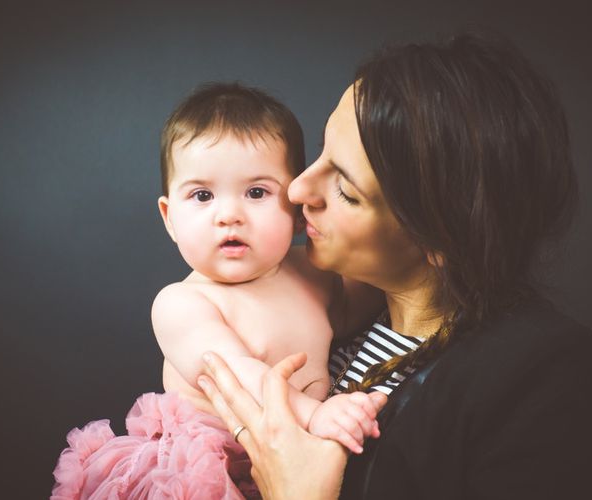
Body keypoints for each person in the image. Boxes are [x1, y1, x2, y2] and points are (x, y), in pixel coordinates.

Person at [196, 33, 592, 499]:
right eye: (321, 153)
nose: (298, 190)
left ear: (440, 236)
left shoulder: (546, 378)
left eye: (346, 190)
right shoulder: (322, 312)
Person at [51, 83, 387, 499]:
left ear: (297, 208)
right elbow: (235, 375)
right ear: (170, 217)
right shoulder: (182, 304)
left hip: (292, 469)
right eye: (203, 195)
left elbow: (382, 291)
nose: (229, 215)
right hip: (210, 469)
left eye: (257, 192)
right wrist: (316, 416)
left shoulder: (313, 273)